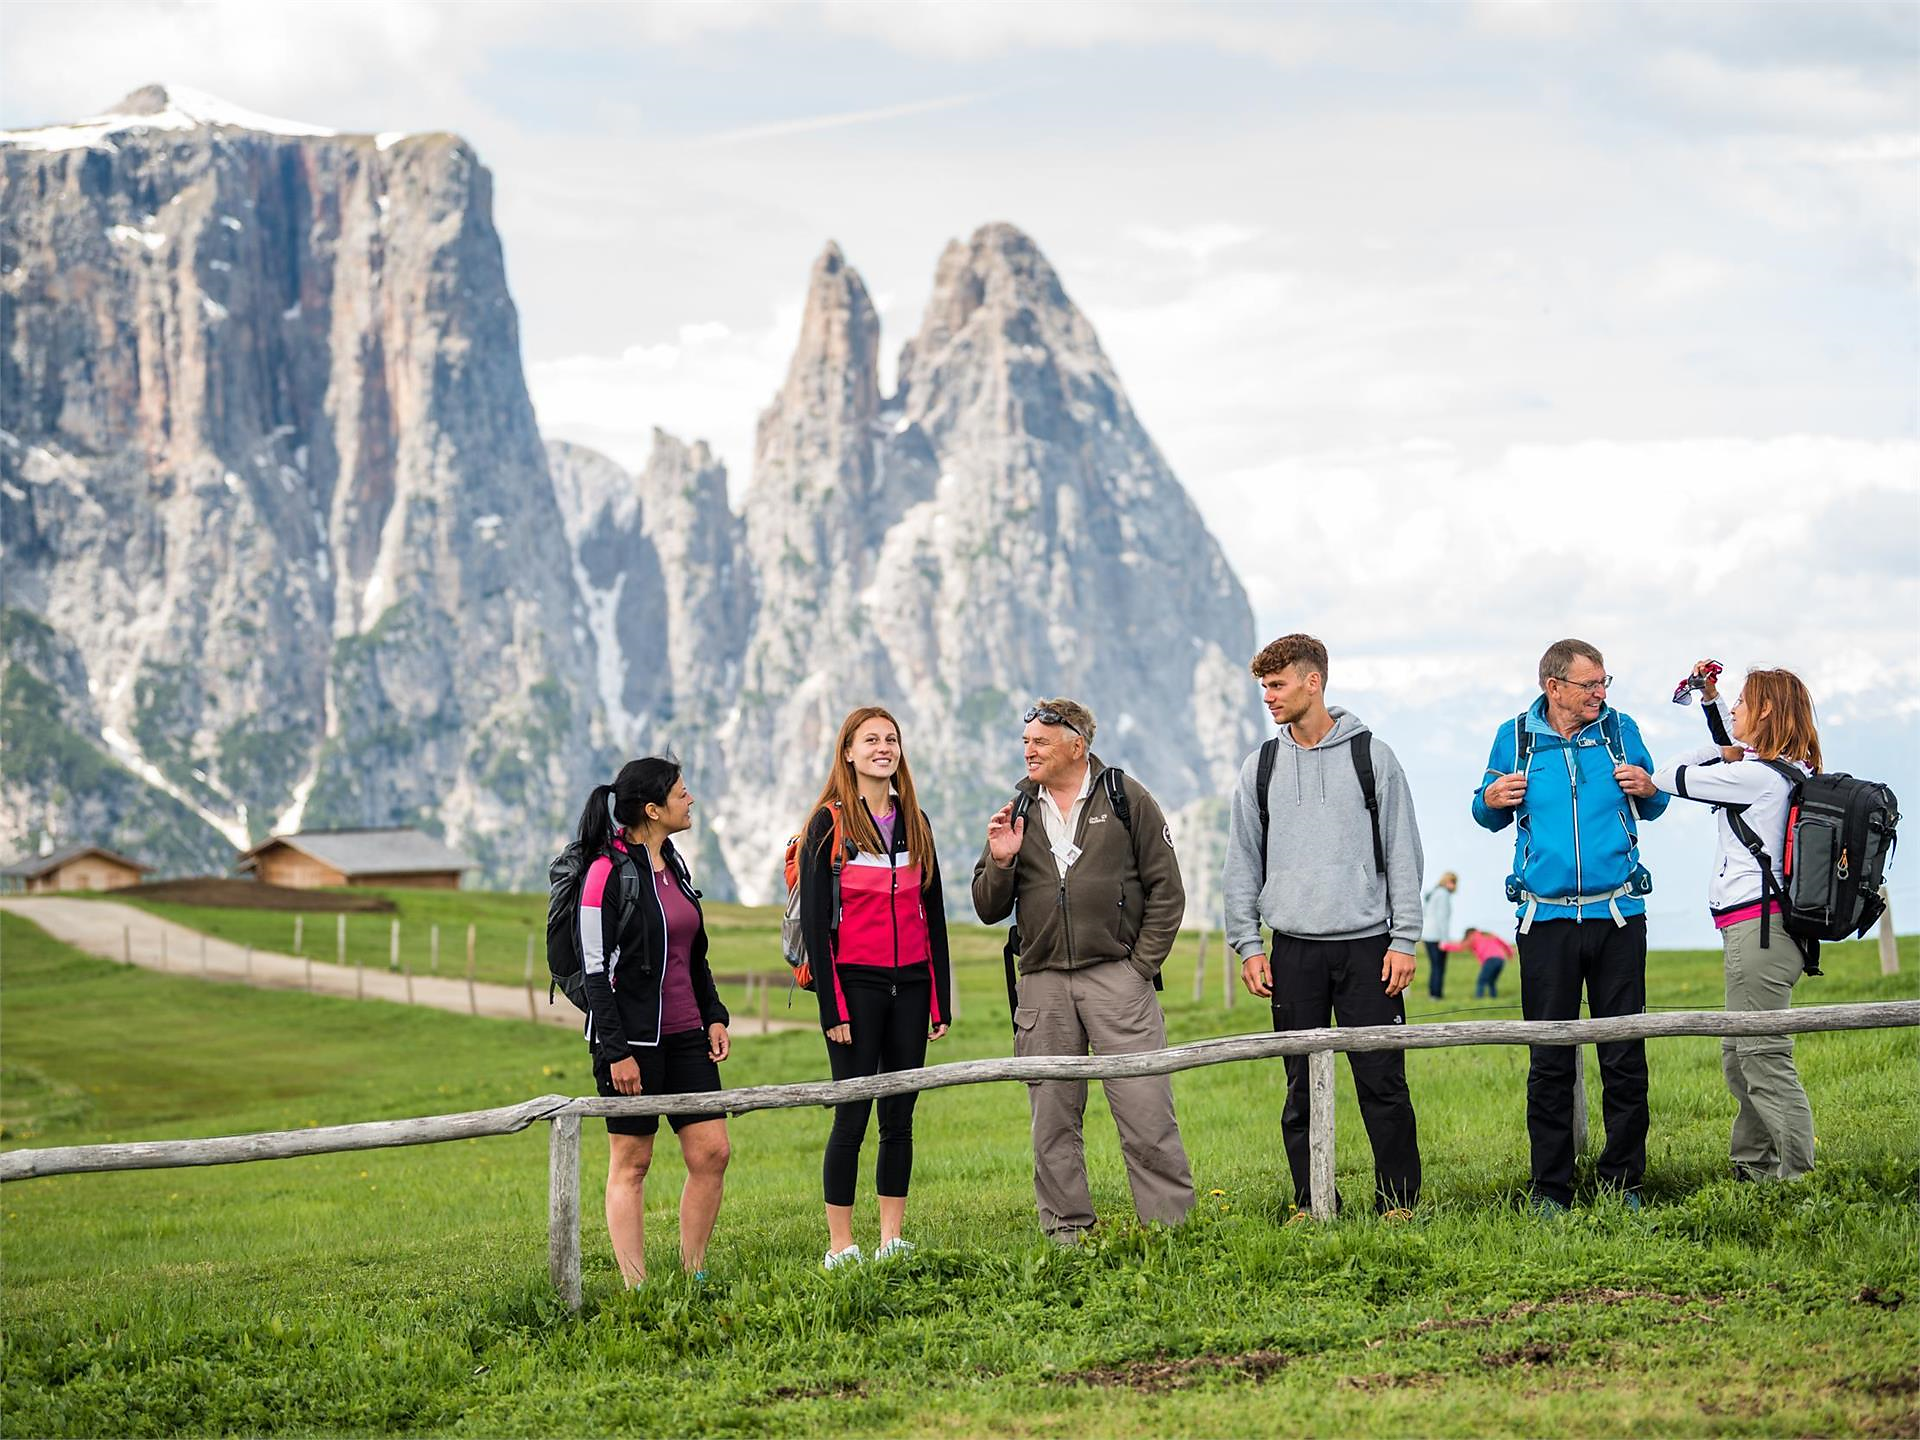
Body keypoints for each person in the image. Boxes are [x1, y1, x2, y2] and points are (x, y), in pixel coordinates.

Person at [972, 697, 1195, 1242]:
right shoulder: (1017, 810)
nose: (1029, 751)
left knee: (1145, 1109)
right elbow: (985, 905)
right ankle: (1067, 1235)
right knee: (1052, 1119)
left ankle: (1170, 1230)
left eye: (1040, 742)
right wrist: (1001, 861)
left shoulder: (1126, 797)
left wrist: (1139, 968)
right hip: (1042, 983)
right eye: (1025, 742)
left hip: (1117, 977)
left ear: (1077, 744)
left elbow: (1168, 890)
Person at [1224, 634, 1426, 1219]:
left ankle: (1400, 1204)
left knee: (1383, 1082)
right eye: (1263, 685)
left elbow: (1404, 852)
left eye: (1277, 684)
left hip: (1369, 948)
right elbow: (1242, 861)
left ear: (1313, 682)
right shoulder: (1259, 766)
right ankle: (1313, 1201)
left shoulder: (1373, 756)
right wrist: (1248, 944)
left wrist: (1404, 939)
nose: (1268, 696)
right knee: (1299, 1090)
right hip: (1292, 952)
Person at [1472, 639, 1669, 1211]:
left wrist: (1650, 790)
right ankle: (1550, 1189)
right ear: (1554, 687)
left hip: (1619, 916)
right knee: (1550, 1059)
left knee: (1624, 1056)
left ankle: (1624, 1183)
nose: (1600, 694)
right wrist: (1490, 798)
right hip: (1545, 923)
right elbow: (1485, 814)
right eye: (1591, 684)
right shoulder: (1514, 737)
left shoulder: (1620, 729)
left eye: (1605, 682)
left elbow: (1653, 806)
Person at [1651, 661, 1820, 1183]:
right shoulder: (1790, 770)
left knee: (1762, 1057)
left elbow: (1666, 776)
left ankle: (1796, 1179)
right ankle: (1753, 1169)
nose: (1736, 710)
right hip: (1770, 930)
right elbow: (1737, 739)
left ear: (1766, 710)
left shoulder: (1752, 777)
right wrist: (1711, 702)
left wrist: (1712, 751)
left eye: (1744, 702)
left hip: (1759, 930)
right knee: (1739, 1052)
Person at [799, 706, 954, 1269]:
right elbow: (818, 927)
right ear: (848, 752)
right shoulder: (829, 824)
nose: (882, 747)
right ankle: (841, 1244)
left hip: (911, 986)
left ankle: (892, 1238)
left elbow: (932, 916)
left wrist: (941, 1001)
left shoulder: (917, 822)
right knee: (852, 1113)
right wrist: (830, 1009)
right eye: (870, 740)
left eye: (891, 739)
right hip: (854, 988)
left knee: (900, 1115)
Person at [574, 757, 732, 1285]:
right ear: (652, 809)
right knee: (633, 1162)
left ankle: (693, 1273)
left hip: (688, 1037)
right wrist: (617, 1051)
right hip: (631, 1043)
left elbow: (694, 953)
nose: (690, 800)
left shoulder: (677, 867)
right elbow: (595, 971)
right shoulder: (605, 873)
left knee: (712, 1152)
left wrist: (713, 1015)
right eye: (682, 793)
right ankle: (636, 1285)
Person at [1442, 928, 1516, 999]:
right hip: (1501, 960)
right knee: (1492, 981)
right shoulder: (1489, 935)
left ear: (1469, 933)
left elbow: (1460, 947)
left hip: (1490, 960)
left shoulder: (1472, 937)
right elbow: (1504, 944)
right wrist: (1510, 954)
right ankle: (1493, 997)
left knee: (1481, 981)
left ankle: (1479, 998)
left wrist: (1444, 946)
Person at [1421, 872, 1458, 999]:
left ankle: (1433, 993)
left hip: (1427, 934)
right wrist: (1444, 939)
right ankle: (1436, 994)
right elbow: (1442, 918)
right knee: (1439, 967)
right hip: (1437, 936)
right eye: (1452, 882)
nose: (1453, 885)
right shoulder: (1443, 895)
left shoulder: (1434, 893)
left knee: (1434, 966)